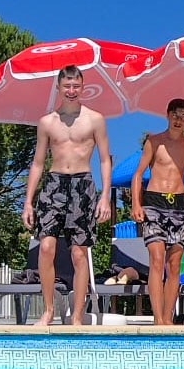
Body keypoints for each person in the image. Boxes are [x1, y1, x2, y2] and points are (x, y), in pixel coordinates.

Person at [22, 65, 112, 326]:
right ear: (59, 88)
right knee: (46, 247)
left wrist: (104, 196)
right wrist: (28, 202)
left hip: (82, 186)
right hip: (53, 184)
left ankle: (76, 315)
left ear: (82, 88)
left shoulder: (95, 119)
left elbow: (105, 159)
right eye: (66, 86)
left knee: (78, 254)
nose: (71, 91)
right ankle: (48, 310)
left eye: (76, 86)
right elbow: (38, 162)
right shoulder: (47, 122)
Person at [130, 97, 184, 325]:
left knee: (174, 264)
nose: (179, 120)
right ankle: (157, 318)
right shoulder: (154, 141)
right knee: (156, 257)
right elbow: (138, 174)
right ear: (168, 115)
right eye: (175, 115)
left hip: (180, 205)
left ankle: (167, 318)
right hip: (154, 203)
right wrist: (136, 203)